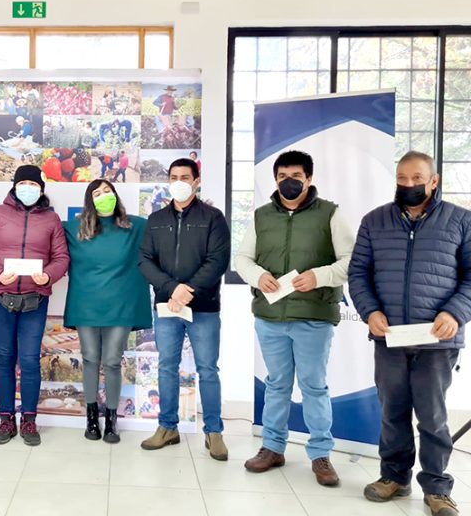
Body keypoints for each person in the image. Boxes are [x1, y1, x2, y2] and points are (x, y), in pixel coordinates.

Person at [348, 151, 471, 516]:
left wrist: (456, 312)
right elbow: (358, 273)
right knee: (392, 411)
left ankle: (436, 487)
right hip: (390, 338)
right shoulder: (374, 221)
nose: (409, 185)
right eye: (402, 178)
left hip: (437, 340)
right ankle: (394, 477)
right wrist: (370, 311)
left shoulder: (461, 221)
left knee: (432, 416)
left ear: (433, 180)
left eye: (417, 178)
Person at [235, 150, 353, 487]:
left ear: (309, 178)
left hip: (313, 316)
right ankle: (272, 447)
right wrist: (257, 275)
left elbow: (350, 260)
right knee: (277, 385)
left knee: (314, 386)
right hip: (270, 315)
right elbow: (243, 258)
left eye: (296, 176)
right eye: (282, 176)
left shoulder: (330, 213)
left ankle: (320, 454)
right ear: (275, 180)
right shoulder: (261, 216)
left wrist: (321, 275)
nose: (289, 182)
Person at [138, 158, 230, 460]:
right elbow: (145, 261)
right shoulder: (156, 219)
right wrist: (171, 289)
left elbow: (217, 261)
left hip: (203, 307)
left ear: (196, 181)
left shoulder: (213, 217)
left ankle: (213, 432)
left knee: (207, 369)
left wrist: (186, 290)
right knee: (167, 366)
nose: (179, 181)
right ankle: (167, 427)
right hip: (166, 306)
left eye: (185, 177)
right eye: (174, 176)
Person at [0, 165, 69, 446]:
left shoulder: (51, 220)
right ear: (14, 186)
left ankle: (29, 419)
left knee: (28, 360)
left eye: (33, 183)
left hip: (34, 299)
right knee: (4, 357)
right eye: (22, 182)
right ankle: (5, 419)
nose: (27, 188)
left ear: (41, 189)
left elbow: (61, 257)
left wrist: (48, 274)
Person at [63, 180, 152, 443]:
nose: (104, 196)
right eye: (97, 193)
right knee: (90, 358)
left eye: (108, 191)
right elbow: (46, 246)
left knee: (112, 360)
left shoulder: (136, 226)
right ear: (89, 199)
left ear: (116, 194)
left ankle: (112, 419)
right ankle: (91, 417)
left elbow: (167, 233)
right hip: (86, 303)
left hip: (121, 304)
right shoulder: (73, 228)